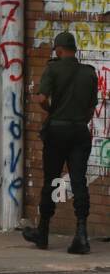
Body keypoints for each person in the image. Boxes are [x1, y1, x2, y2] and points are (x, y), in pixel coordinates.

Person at [23, 30, 97, 254]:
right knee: (78, 181)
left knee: (52, 181)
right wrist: (78, 120)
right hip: (79, 131)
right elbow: (91, 108)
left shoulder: (53, 69)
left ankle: (43, 232)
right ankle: (81, 234)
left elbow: (43, 99)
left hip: (57, 132)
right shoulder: (89, 73)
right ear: (74, 50)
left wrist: (47, 107)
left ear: (59, 50)